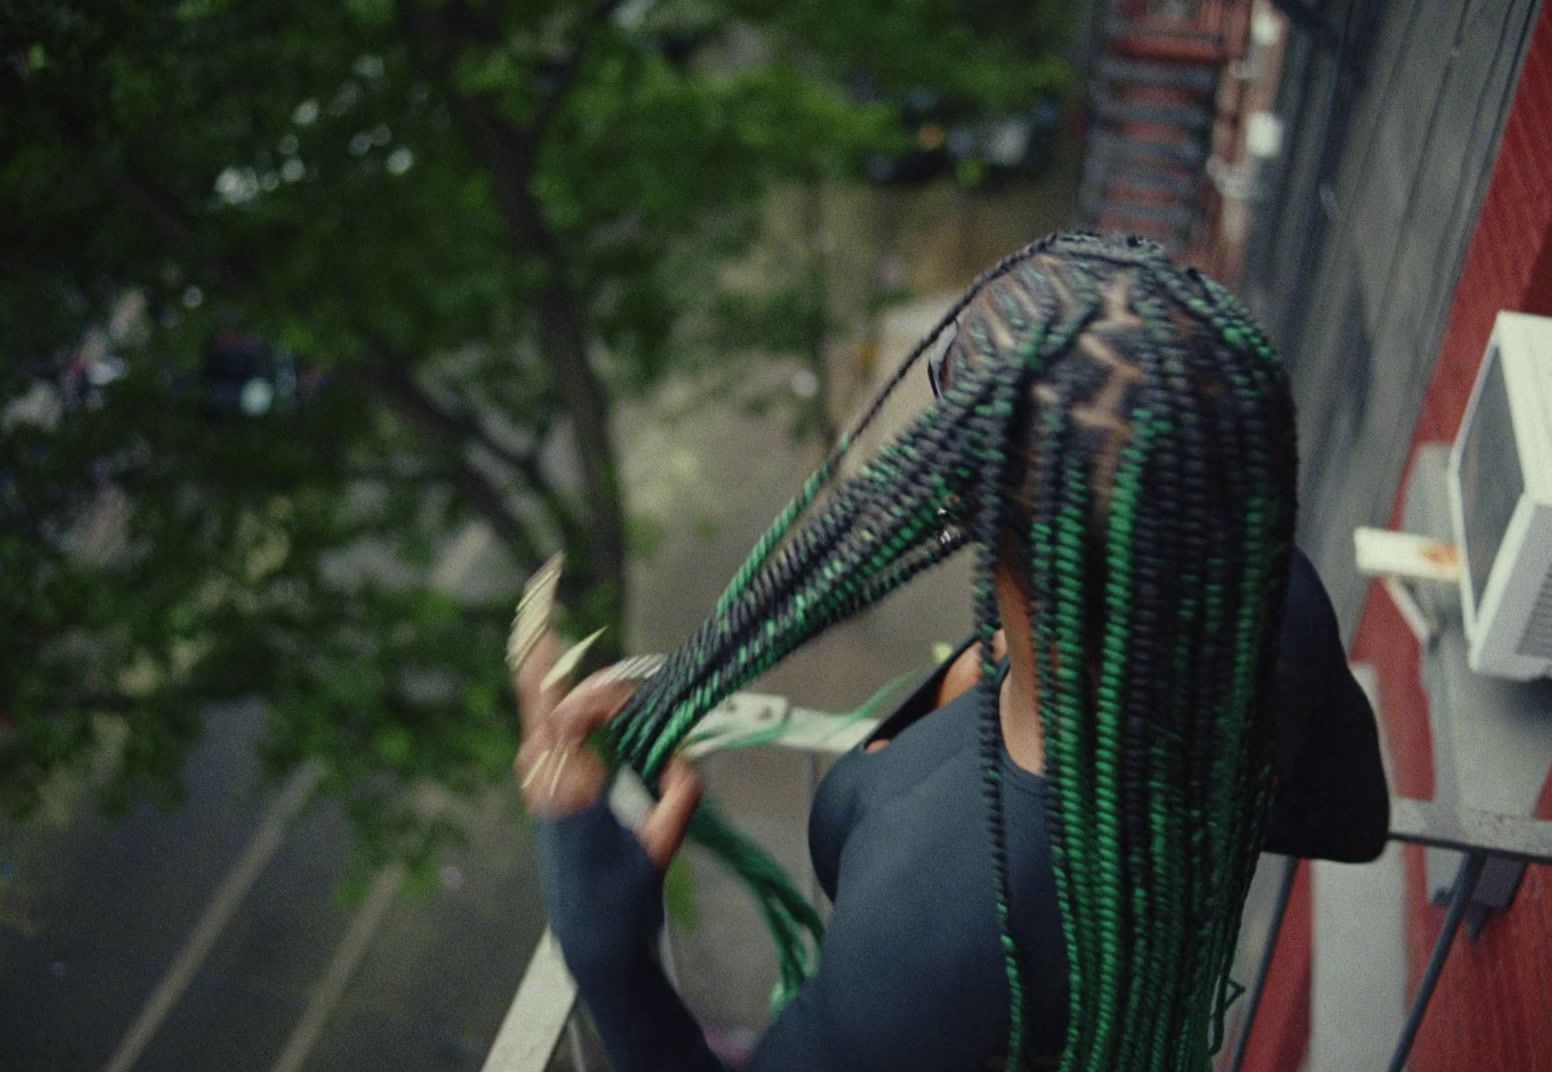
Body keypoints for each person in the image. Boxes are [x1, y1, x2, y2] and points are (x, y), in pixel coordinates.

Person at [514, 233, 1389, 1071]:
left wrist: (604, 944)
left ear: (968, 498)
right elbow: (1352, 821)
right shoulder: (1275, 617)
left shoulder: (935, 928)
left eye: (952, 399)